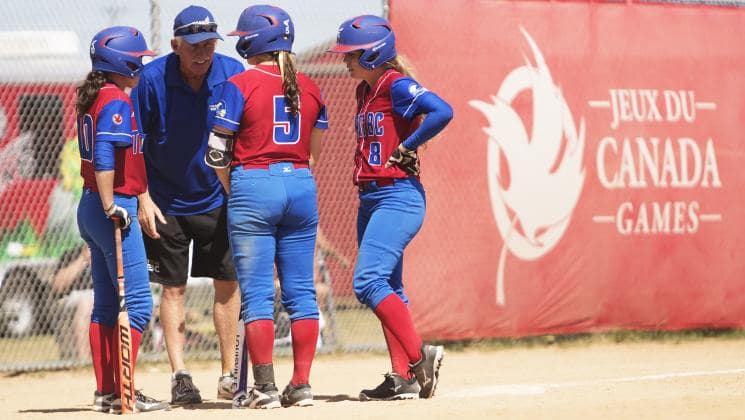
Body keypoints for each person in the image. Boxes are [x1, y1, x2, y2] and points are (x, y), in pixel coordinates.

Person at [205, 4, 328, 409]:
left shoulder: (238, 84)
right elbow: (314, 153)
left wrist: (235, 188)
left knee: (257, 295)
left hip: (253, 183)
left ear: (254, 41)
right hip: (300, 184)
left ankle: (265, 389)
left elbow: (217, 153)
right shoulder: (309, 85)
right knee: (301, 294)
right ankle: (302, 384)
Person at [327, 15, 453, 401]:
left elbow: (442, 111)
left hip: (398, 196)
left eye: (351, 54)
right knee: (391, 287)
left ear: (374, 53)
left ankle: (420, 358)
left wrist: (410, 144)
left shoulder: (394, 83)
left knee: (367, 282)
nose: (344, 60)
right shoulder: (365, 91)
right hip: (371, 196)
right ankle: (404, 377)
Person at [131, 5, 243, 405]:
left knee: (227, 285)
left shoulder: (233, 74)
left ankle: (230, 374)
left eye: (210, 43)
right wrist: (142, 197)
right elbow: (134, 145)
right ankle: (181, 376)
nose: (203, 53)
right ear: (175, 44)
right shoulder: (150, 81)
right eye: (194, 45)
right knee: (173, 288)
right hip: (165, 200)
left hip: (218, 195)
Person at [74, 26, 168, 413]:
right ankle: (125, 392)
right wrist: (115, 205)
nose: (141, 64)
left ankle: (108, 392)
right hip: (111, 208)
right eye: (137, 58)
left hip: (90, 206)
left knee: (107, 305)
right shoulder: (115, 99)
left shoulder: (98, 95)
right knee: (140, 305)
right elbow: (105, 158)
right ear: (120, 61)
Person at [51, 245, 93, 361]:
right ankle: (84, 361)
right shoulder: (71, 254)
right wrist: (83, 259)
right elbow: (57, 286)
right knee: (86, 302)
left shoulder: (110, 250)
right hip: (77, 296)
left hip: (104, 294)